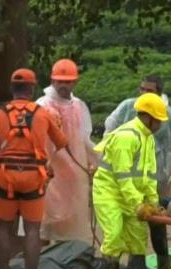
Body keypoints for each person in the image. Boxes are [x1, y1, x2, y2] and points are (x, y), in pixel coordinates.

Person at [0, 68, 68, 269]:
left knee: (2, 228)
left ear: (12, 89)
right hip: (34, 180)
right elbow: (62, 142)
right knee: (32, 230)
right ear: (31, 89)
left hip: (5, 179)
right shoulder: (44, 115)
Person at [105, 75, 171, 269]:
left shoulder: (168, 117)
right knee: (122, 229)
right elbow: (109, 135)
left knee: (157, 225)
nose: (144, 94)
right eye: (141, 89)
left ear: (159, 94)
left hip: (154, 181)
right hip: (123, 182)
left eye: (149, 91)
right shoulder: (127, 110)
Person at [92, 93, 168, 269]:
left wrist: (153, 204)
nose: (161, 124)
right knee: (114, 235)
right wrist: (138, 204)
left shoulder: (148, 139)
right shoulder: (127, 137)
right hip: (109, 193)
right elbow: (123, 177)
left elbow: (149, 177)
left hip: (131, 195)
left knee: (138, 239)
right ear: (149, 118)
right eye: (159, 120)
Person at [36, 59, 98, 244]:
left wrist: (95, 162)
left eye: (67, 81)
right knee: (45, 223)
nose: (63, 85)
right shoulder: (42, 105)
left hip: (74, 173)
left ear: (75, 82)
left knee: (72, 224)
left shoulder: (78, 106)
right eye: (59, 81)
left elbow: (85, 138)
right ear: (52, 80)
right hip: (50, 171)